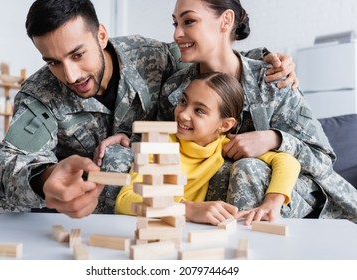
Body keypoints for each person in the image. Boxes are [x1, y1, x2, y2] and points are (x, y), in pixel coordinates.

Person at [0, 0, 297, 224]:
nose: (70, 75)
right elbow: (16, 160)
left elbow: (208, 56)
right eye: (53, 62)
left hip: (148, 182)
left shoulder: (151, 56)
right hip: (85, 194)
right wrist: (45, 180)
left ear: (101, 35)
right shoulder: (39, 93)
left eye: (78, 54)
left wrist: (261, 62)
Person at [158, 0, 357, 221]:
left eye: (189, 21)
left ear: (226, 21)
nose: (177, 34)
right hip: (213, 203)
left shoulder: (273, 80)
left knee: (247, 168)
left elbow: (323, 159)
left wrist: (274, 139)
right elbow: (160, 148)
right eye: (175, 23)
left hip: (287, 197)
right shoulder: (175, 89)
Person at [114, 72, 301, 225]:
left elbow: (287, 161)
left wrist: (273, 201)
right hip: (165, 227)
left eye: (199, 111)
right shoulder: (160, 142)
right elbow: (124, 201)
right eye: (184, 102)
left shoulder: (225, 146)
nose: (183, 114)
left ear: (225, 125)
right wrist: (187, 208)